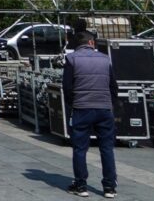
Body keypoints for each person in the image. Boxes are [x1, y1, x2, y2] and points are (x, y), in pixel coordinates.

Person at [62, 31, 119, 198]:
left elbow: (67, 87)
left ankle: (81, 185)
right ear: (92, 43)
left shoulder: (72, 59)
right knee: (106, 148)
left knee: (80, 148)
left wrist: (73, 104)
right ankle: (109, 187)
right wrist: (109, 104)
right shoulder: (105, 59)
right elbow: (113, 86)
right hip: (104, 109)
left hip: (82, 108)